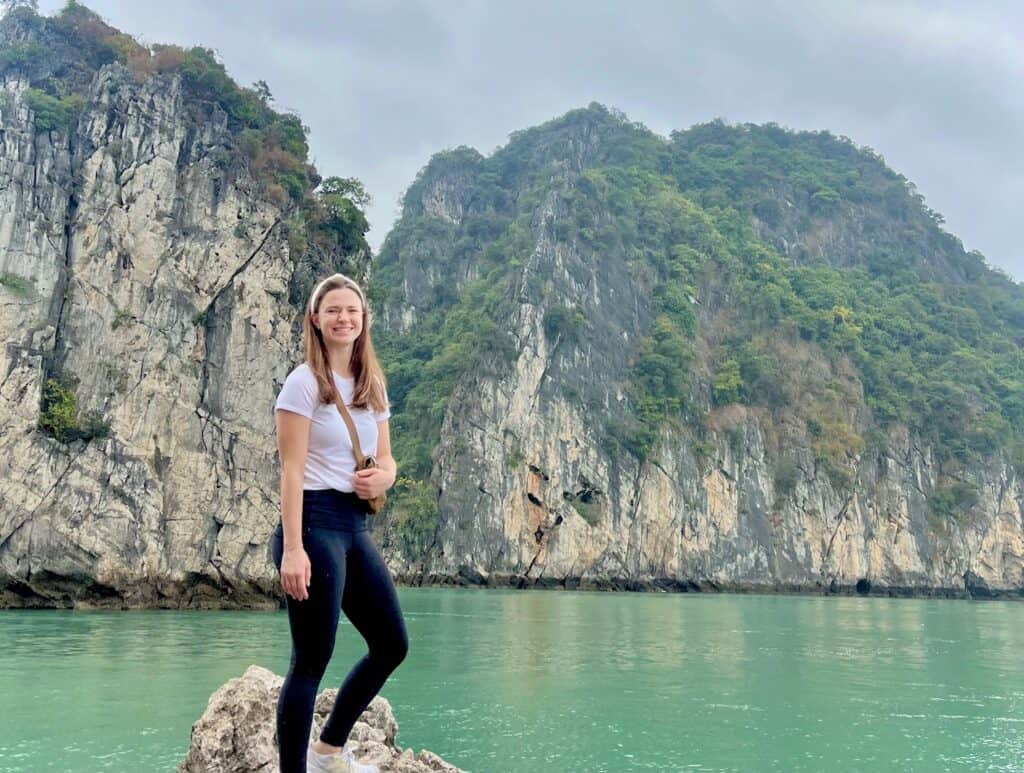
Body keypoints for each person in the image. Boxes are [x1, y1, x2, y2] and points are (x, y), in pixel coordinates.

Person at [271, 273, 408, 773]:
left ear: (363, 319)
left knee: (392, 645)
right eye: (332, 310)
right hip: (312, 525)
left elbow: (388, 459)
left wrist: (383, 479)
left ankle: (328, 751)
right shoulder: (303, 383)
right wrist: (292, 548)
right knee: (311, 659)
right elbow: (290, 467)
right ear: (316, 319)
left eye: (352, 310)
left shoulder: (371, 383)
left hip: (354, 527)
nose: (343, 318)